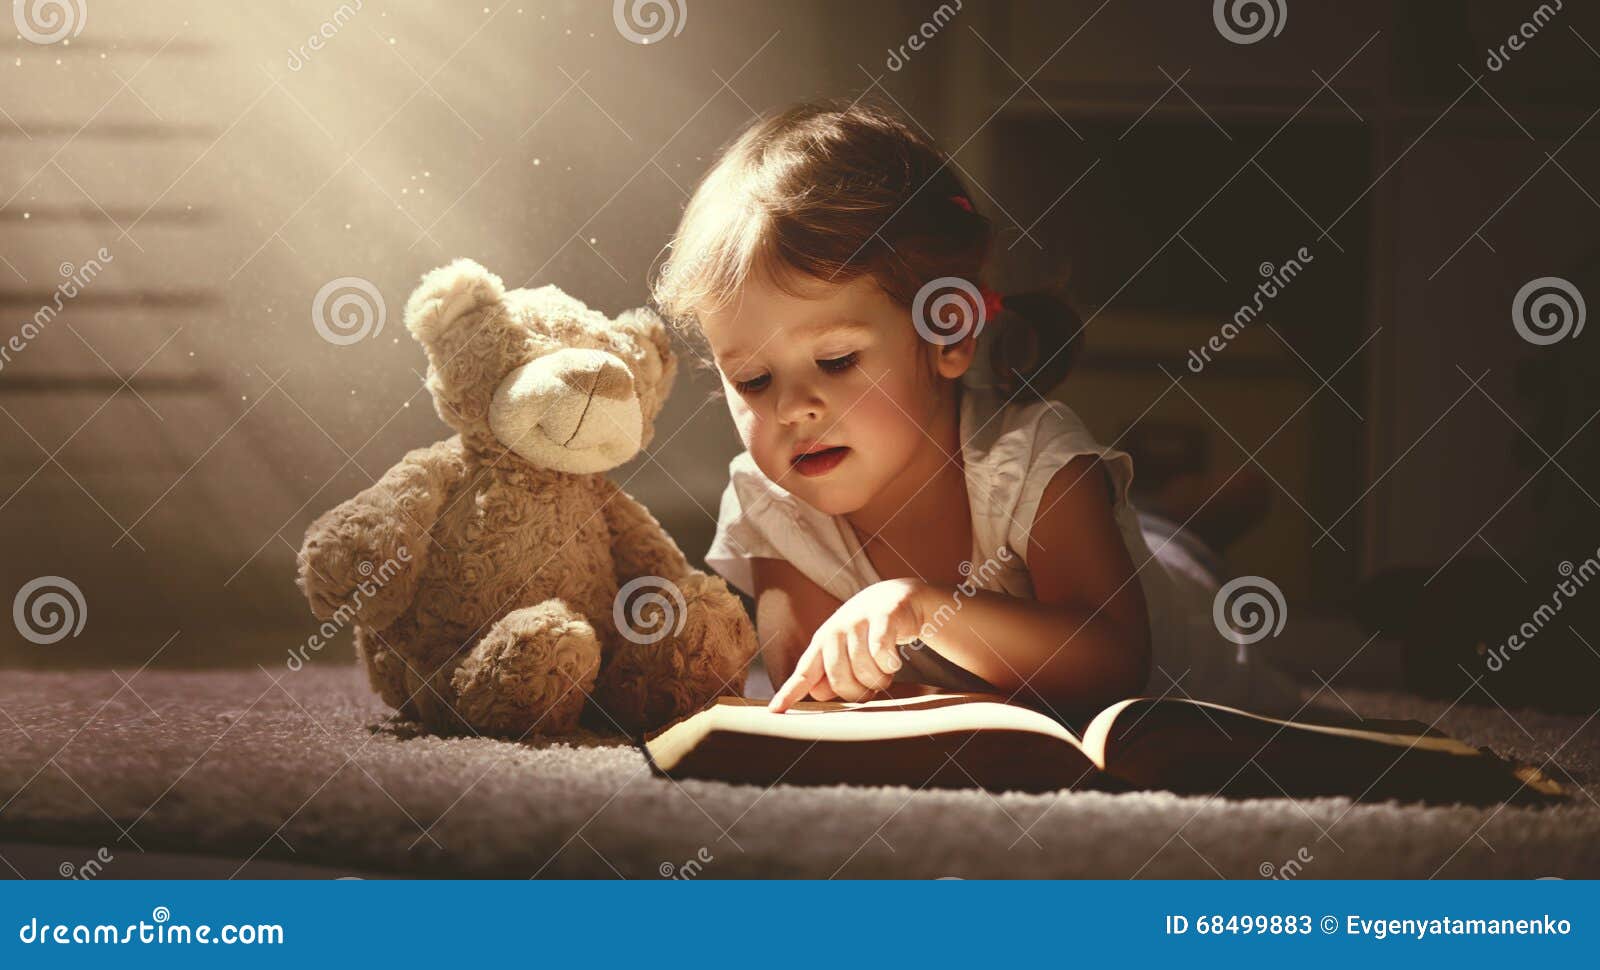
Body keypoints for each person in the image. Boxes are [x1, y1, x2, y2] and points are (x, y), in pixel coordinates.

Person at [650, 98, 1291, 719]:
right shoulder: (773, 502)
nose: (793, 409)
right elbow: (814, 692)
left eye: (838, 361)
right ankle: (1167, 514)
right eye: (754, 380)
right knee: (1153, 528)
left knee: (1180, 556)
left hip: (1185, 613)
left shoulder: (1033, 458)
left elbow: (1113, 660)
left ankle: (1196, 523)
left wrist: (926, 609)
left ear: (948, 335)